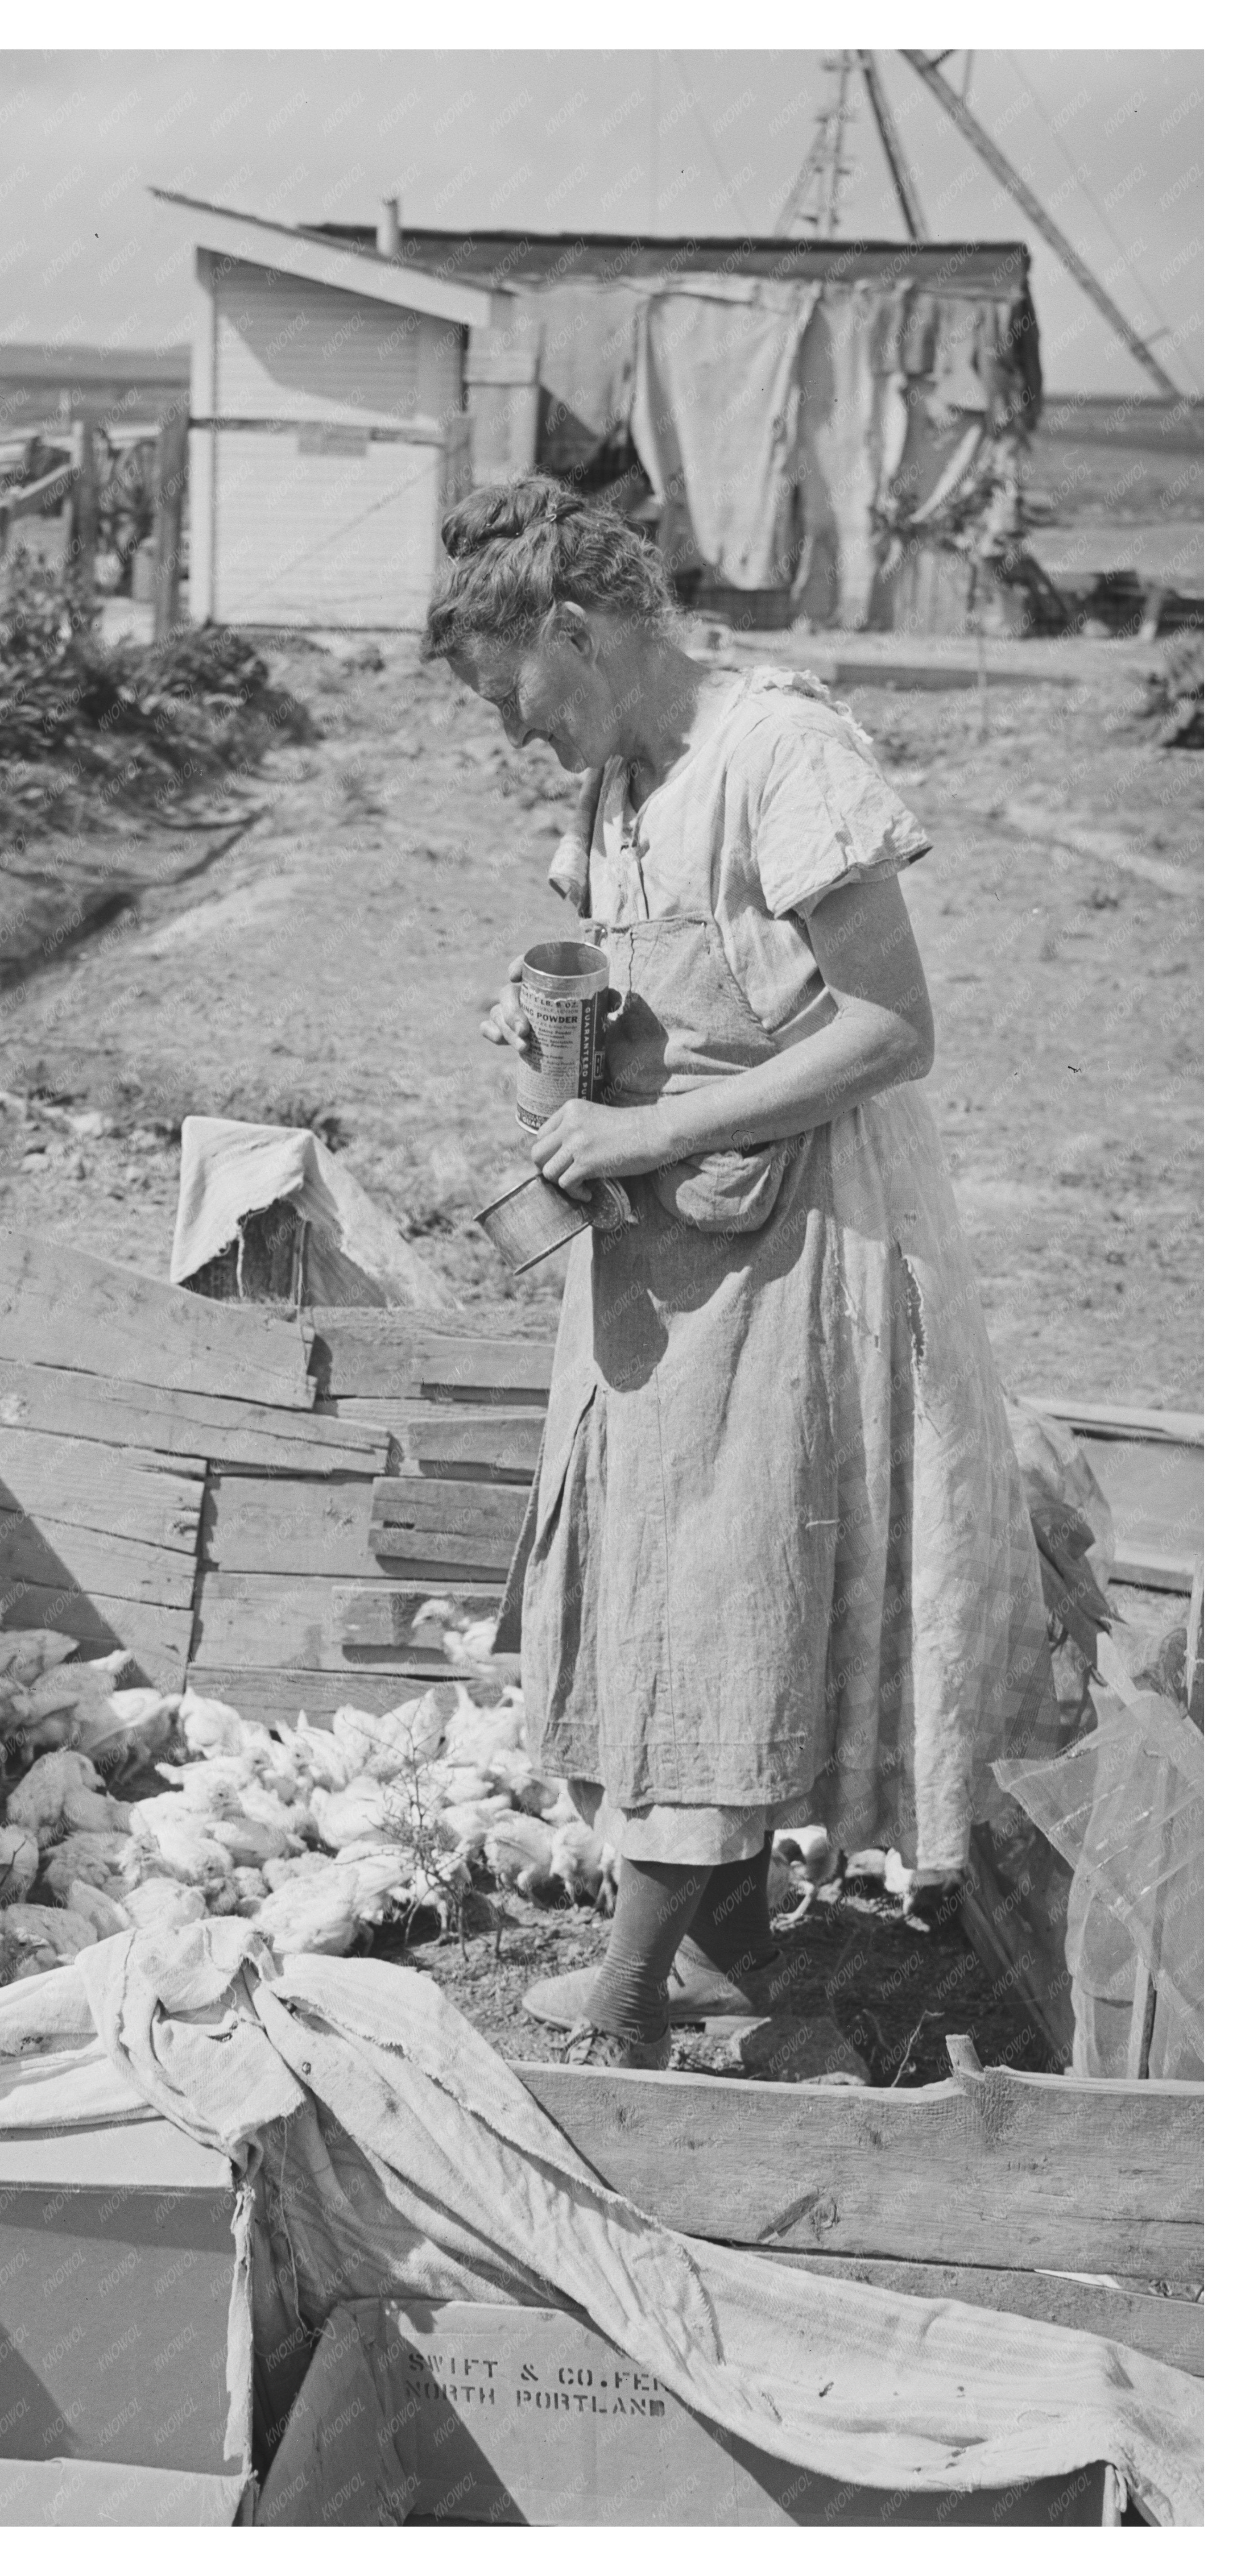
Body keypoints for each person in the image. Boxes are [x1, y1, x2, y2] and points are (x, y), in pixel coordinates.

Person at [423, 478, 1053, 2069]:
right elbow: (660, 979)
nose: (512, 734)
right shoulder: (622, 782)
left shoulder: (779, 754)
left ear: (573, 632)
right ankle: (723, 1958)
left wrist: (654, 1130)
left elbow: (888, 1028)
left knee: (721, 1586)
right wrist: (552, 1025)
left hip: (796, 1241)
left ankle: (634, 1990)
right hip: (669, 1245)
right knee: (657, 1570)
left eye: (513, 694)